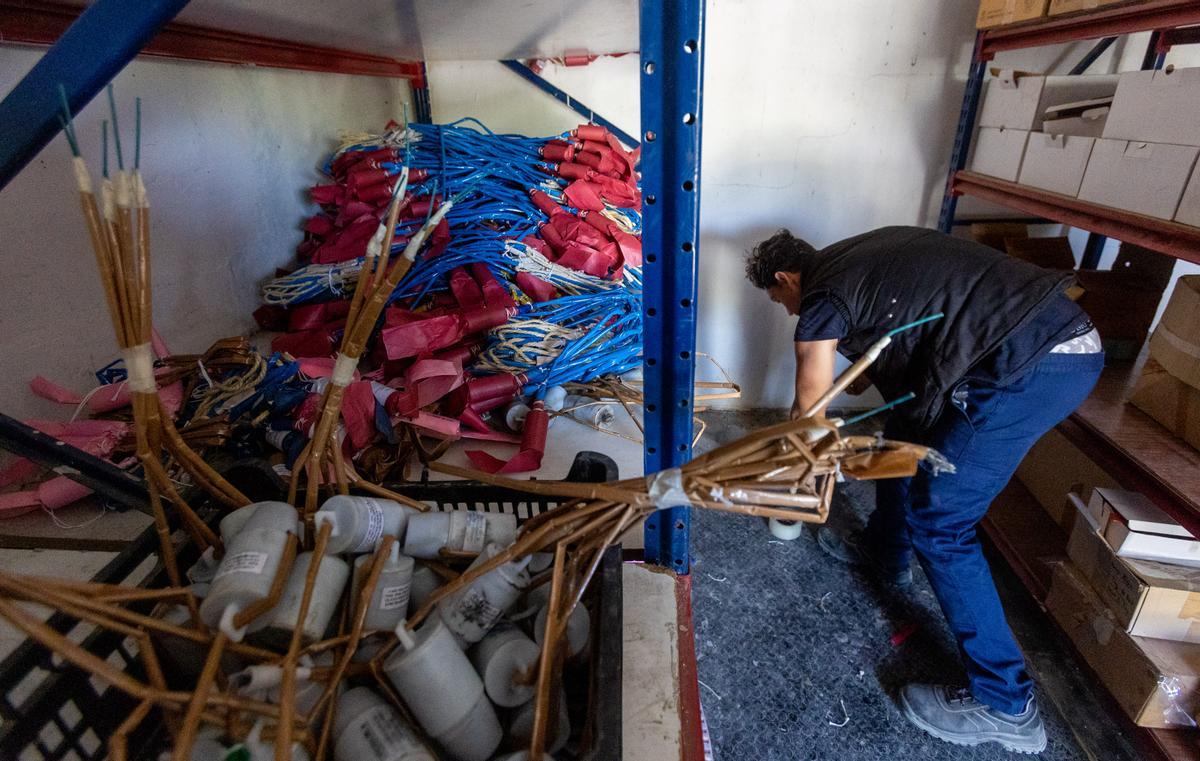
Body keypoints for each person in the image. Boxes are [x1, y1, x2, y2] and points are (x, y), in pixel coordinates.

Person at [745, 226, 1103, 755]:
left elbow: (812, 403)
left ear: (785, 278)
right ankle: (885, 552)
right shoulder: (861, 255)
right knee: (905, 439)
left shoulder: (822, 294)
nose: (790, 312)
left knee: (943, 523)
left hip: (1033, 363)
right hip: (1050, 343)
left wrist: (791, 463)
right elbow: (871, 369)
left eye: (781, 302)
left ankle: (1006, 703)